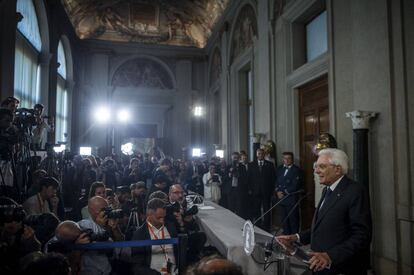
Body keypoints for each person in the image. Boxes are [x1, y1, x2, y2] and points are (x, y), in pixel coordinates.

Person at [276, 149, 372, 274]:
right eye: (316, 167)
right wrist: (296, 237)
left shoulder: (355, 191)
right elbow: (321, 227)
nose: (316, 171)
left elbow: (362, 235)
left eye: (321, 166)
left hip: (341, 267)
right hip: (319, 266)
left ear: (337, 169)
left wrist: (330, 256)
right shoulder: (326, 190)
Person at [77, 196, 124, 275]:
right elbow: (102, 249)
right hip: (91, 271)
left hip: (108, 269)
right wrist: (101, 227)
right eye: (103, 210)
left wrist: (115, 228)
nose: (107, 212)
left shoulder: (109, 221)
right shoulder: (83, 226)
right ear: (93, 211)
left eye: (107, 208)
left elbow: (122, 242)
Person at [131, 198, 178, 275]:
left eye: (164, 217)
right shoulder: (139, 235)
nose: (162, 221)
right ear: (149, 215)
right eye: (159, 218)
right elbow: (137, 267)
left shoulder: (171, 227)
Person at [275, 152, 304, 234]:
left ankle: (294, 239)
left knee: (293, 220)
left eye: (289, 158)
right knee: (284, 220)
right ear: (283, 159)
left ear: (292, 159)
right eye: (285, 158)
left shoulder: (297, 170)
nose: (287, 160)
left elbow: (295, 185)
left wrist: (283, 192)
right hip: (281, 199)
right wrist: (277, 191)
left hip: (291, 198)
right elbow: (276, 181)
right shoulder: (279, 168)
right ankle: (286, 237)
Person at [247, 148, 276, 231]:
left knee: (267, 210)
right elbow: (249, 178)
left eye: (262, 154)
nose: (260, 155)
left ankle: (267, 227)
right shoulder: (251, 165)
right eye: (259, 153)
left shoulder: (270, 164)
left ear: (264, 155)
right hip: (255, 192)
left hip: (266, 192)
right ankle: (257, 226)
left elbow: (273, 179)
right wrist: (250, 190)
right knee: (256, 210)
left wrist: (272, 191)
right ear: (256, 155)